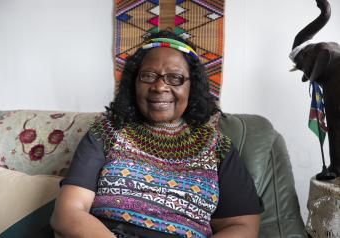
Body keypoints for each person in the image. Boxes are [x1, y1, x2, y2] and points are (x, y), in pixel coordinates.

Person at [50, 30, 263, 238]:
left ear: (192, 86)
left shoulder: (217, 147)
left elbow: (242, 225)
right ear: (134, 82)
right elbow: (68, 213)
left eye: (175, 78)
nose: (160, 86)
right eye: (148, 76)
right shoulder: (107, 132)